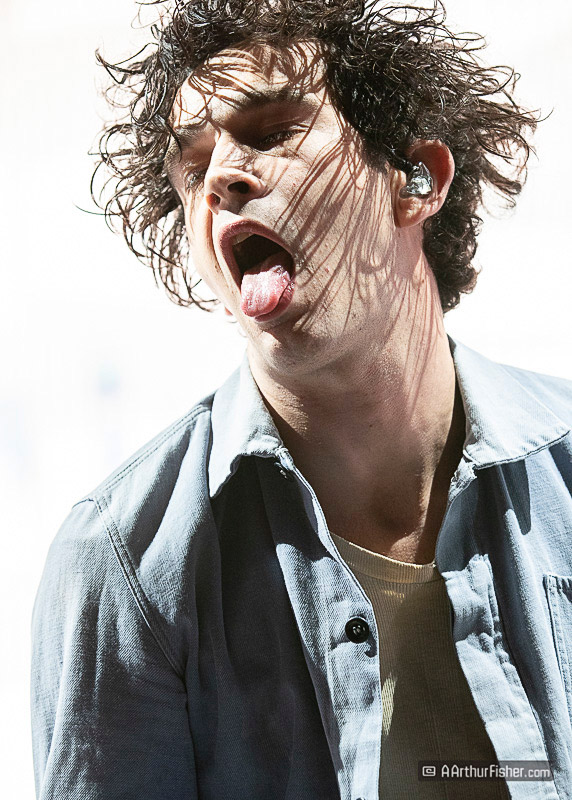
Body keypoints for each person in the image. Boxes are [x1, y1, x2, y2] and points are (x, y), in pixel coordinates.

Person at [31, 1, 572, 798]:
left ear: (416, 180)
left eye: (271, 132)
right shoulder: (125, 563)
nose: (222, 178)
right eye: (194, 168)